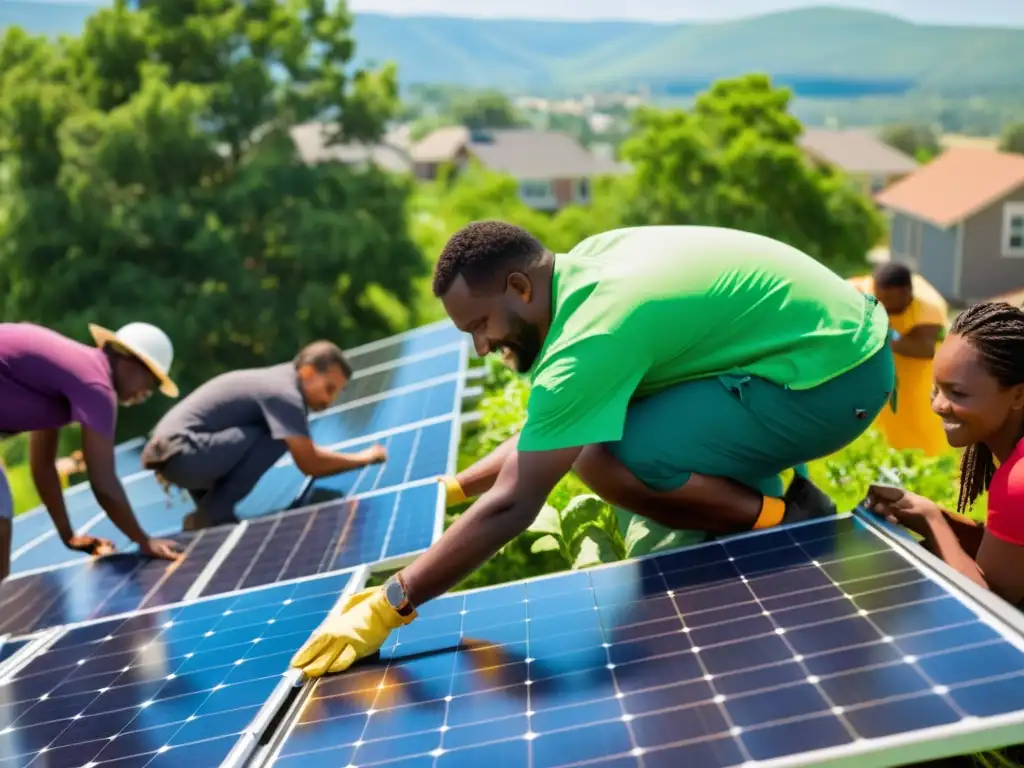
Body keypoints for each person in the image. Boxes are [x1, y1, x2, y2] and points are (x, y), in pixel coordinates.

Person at [290, 222, 897, 678]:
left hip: (834, 383)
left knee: (604, 456)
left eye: (480, 325)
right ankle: (767, 484)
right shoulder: (587, 268)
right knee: (592, 432)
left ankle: (785, 516)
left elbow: (518, 501)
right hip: (823, 347)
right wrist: (454, 490)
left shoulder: (593, 336)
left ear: (520, 287)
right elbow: (554, 425)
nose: (480, 346)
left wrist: (393, 601)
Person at [866, 302, 1024, 608]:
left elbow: (994, 608)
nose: (938, 405)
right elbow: (1010, 548)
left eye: (958, 393)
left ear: (1018, 395)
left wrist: (932, 521)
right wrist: (930, 517)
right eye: (936, 388)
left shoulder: (1019, 479)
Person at [0, 321, 183, 582]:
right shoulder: (96, 386)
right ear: (130, 361)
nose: (145, 394)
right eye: (151, 382)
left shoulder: (71, 372)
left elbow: (42, 467)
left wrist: (68, 535)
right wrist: (144, 540)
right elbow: (103, 481)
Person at [141, 340, 389, 530]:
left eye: (337, 393)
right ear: (307, 372)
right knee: (276, 435)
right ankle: (212, 514)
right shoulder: (285, 394)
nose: (331, 400)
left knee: (273, 431)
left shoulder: (276, 381)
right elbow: (310, 463)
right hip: (183, 452)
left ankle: (207, 514)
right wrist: (364, 458)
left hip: (176, 452)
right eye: (329, 388)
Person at [849, 263, 948, 456]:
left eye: (890, 302)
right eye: (880, 299)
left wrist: (885, 334)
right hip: (873, 382)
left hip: (914, 385)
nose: (884, 307)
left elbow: (924, 347)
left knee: (918, 447)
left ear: (907, 293)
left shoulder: (929, 306)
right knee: (871, 443)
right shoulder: (855, 291)